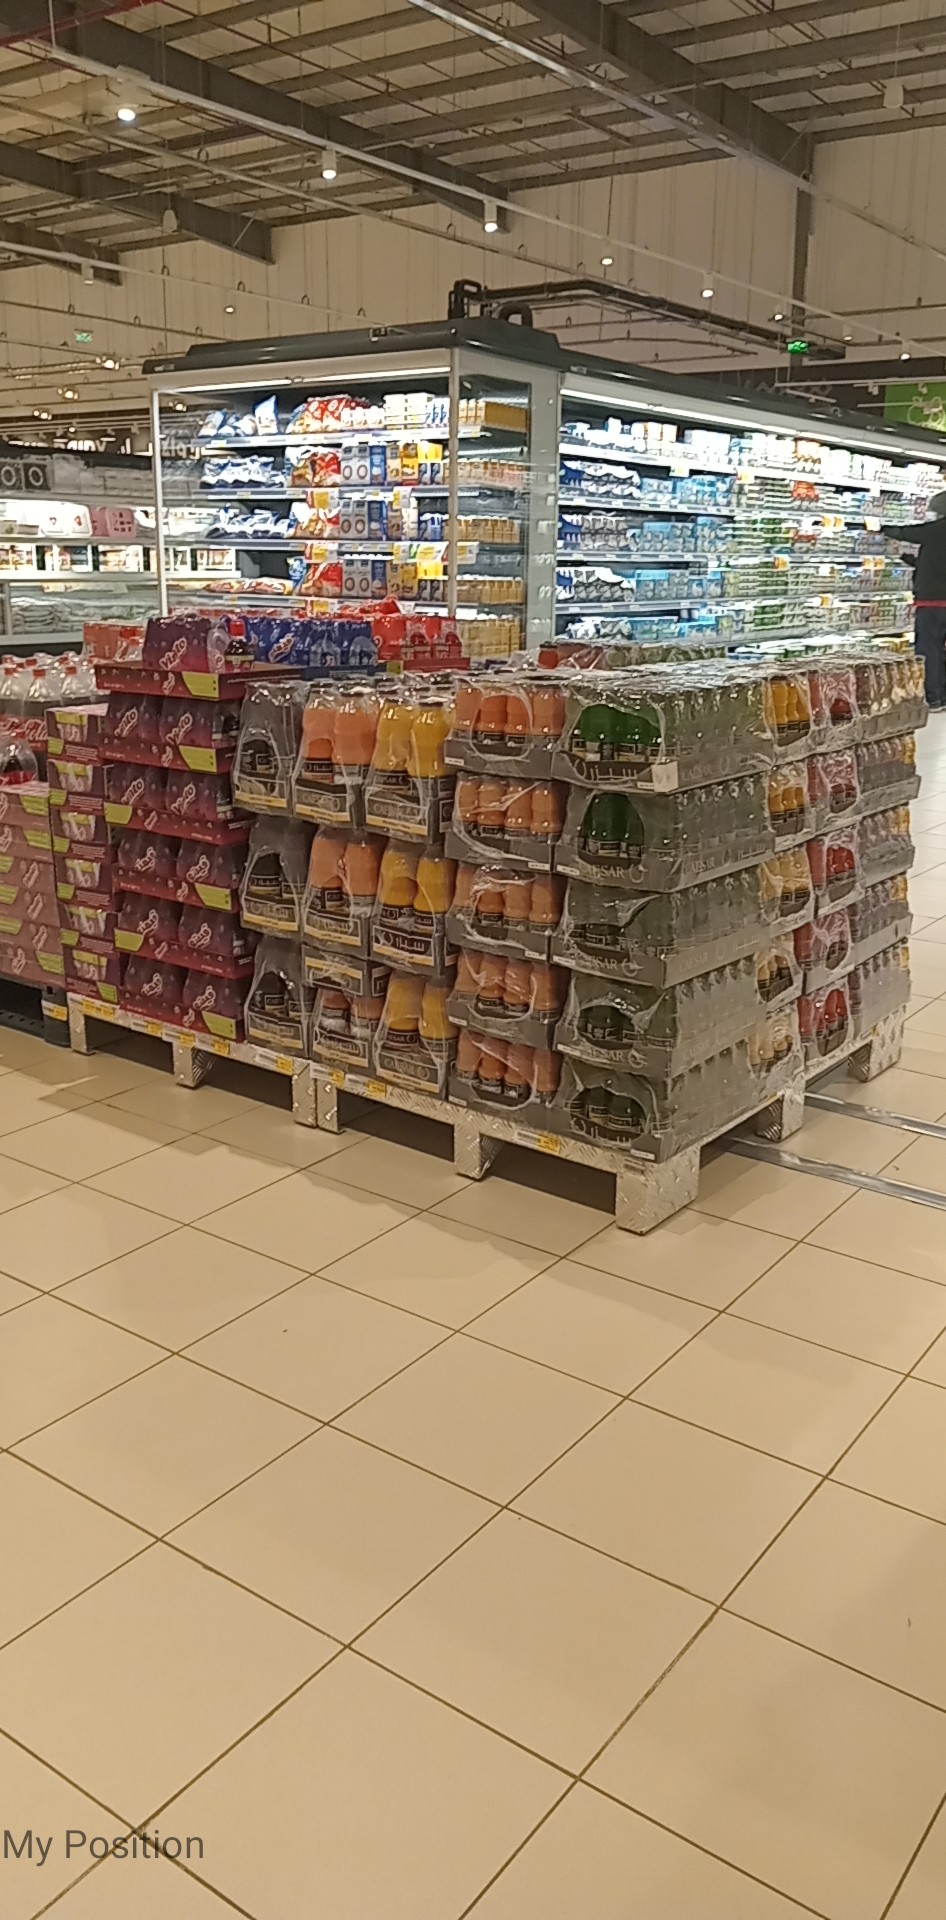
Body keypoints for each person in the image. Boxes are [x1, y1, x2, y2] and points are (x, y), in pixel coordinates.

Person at [883, 491, 946, 709]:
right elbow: (935, 563)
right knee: (940, 650)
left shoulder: (936, 530)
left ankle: (933, 697)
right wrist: (906, 558)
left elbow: (908, 533)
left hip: (933, 601)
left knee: (929, 649)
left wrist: (881, 527)